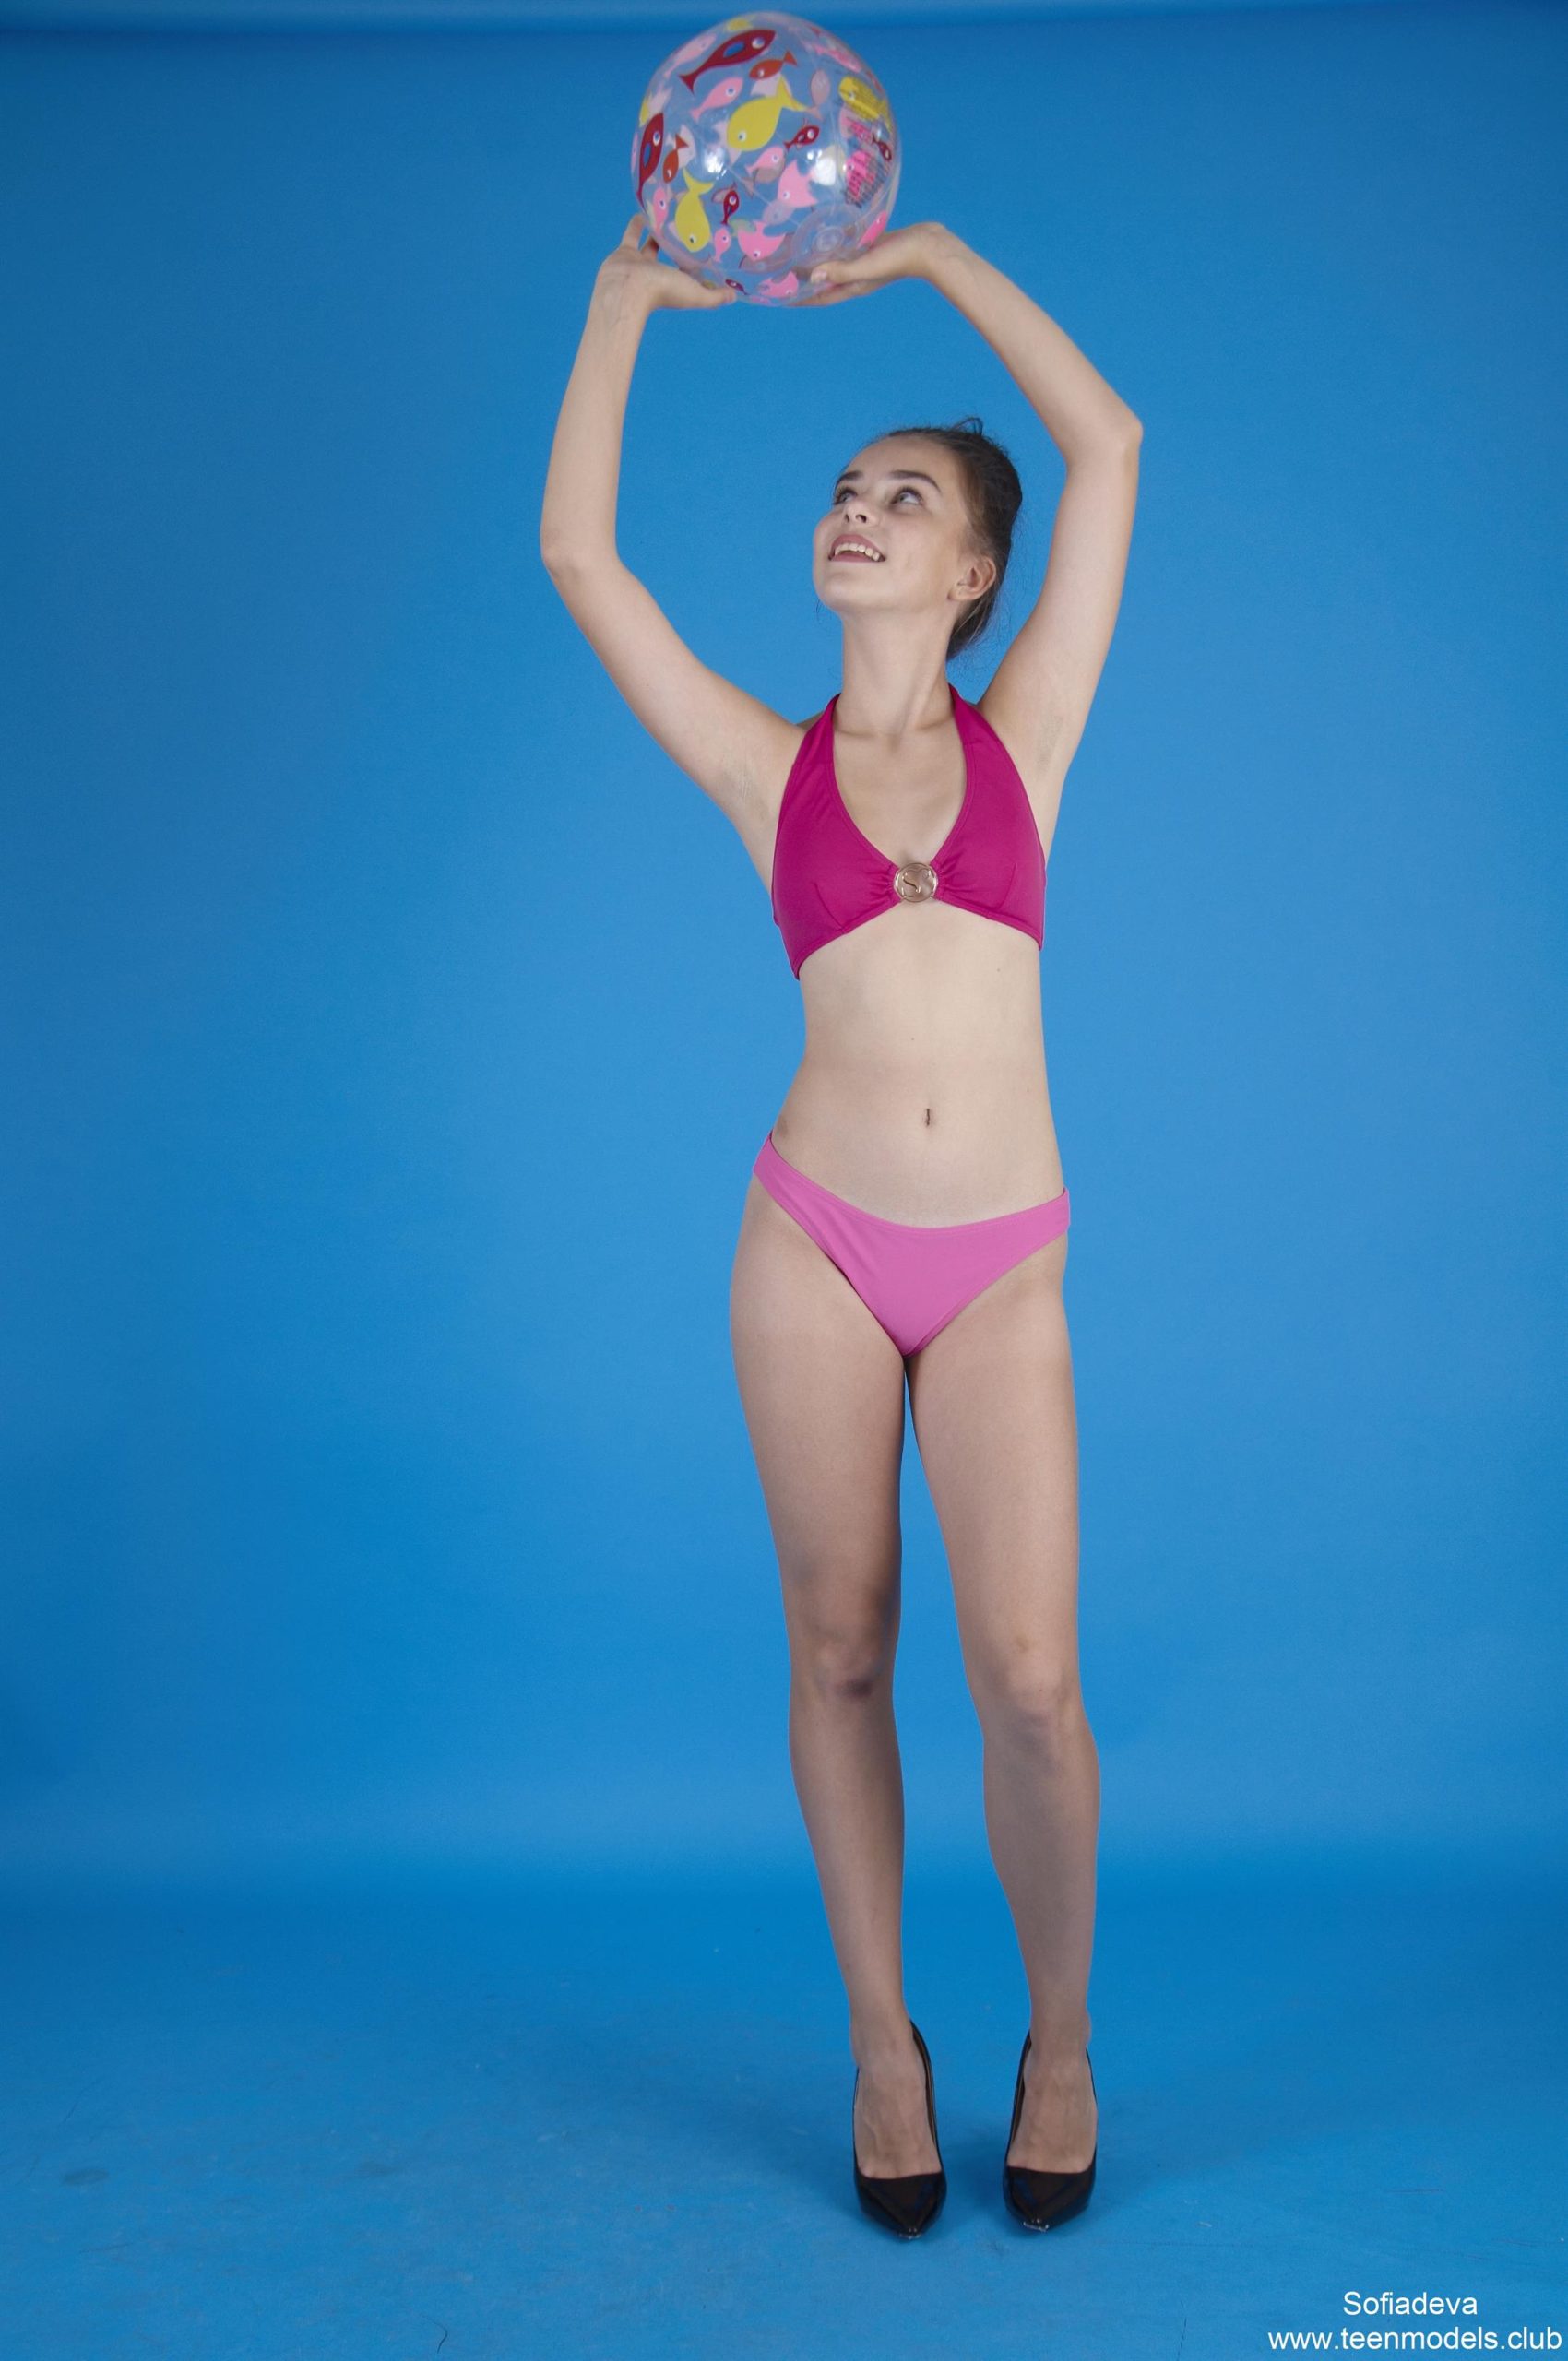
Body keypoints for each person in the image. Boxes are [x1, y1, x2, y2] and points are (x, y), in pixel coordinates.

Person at [540, 213, 1141, 2238]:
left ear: (974, 572)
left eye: (906, 497)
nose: (858, 512)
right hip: (812, 1239)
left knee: (1030, 1677)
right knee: (840, 1645)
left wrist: (940, 258)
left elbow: (1111, 444)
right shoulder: (763, 762)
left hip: (1000, 1261)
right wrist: (624, 300)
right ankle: (883, 2043)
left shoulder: (1026, 737)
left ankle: (1060, 2043)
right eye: (843, 489)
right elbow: (580, 559)